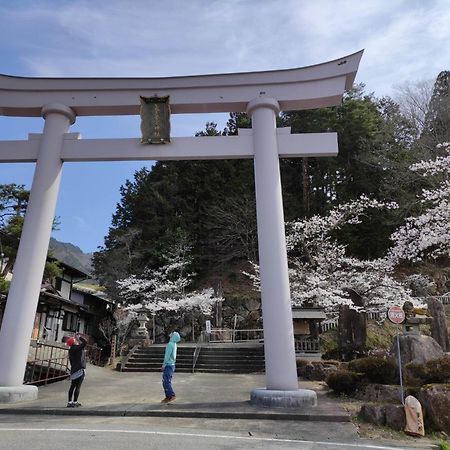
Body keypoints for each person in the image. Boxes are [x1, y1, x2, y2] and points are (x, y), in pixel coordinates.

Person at [66, 333, 87, 407]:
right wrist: (80, 337)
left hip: (74, 369)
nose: (76, 340)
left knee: (72, 386)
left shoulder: (71, 350)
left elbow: (71, 361)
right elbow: (85, 342)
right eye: (75, 340)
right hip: (80, 369)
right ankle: (75, 402)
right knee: (78, 387)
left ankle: (69, 402)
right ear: (73, 342)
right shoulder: (78, 348)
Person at [161, 331, 181, 404]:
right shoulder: (175, 344)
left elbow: (167, 356)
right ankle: (168, 396)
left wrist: (164, 365)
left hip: (168, 365)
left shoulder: (170, 344)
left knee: (166, 381)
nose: (170, 335)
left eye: (172, 334)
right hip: (172, 365)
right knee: (166, 381)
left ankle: (171, 395)